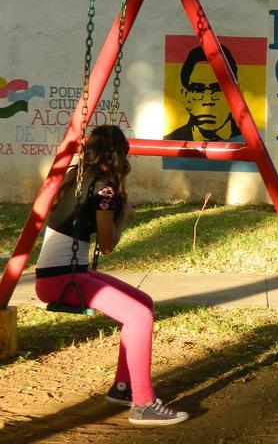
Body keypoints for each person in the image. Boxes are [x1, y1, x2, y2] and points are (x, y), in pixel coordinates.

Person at [34, 125, 189, 427]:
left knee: (143, 301)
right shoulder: (104, 187)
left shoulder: (77, 177)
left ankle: (123, 387)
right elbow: (107, 245)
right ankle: (143, 405)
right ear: (120, 155)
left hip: (62, 273)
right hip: (62, 279)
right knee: (139, 315)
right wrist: (124, 215)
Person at [164, 45, 241, 141]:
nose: (208, 101)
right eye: (197, 90)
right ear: (185, 96)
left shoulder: (252, 143)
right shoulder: (170, 143)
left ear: (234, 95)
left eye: (217, 90)